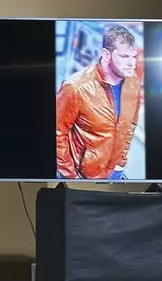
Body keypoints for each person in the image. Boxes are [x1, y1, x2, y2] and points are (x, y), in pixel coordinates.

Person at [56, 25, 143, 180]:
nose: (132, 63)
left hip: (115, 173)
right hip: (83, 177)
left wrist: (120, 163)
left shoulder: (133, 83)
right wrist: (70, 175)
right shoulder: (76, 87)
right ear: (106, 54)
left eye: (133, 56)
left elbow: (130, 125)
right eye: (124, 57)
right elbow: (57, 133)